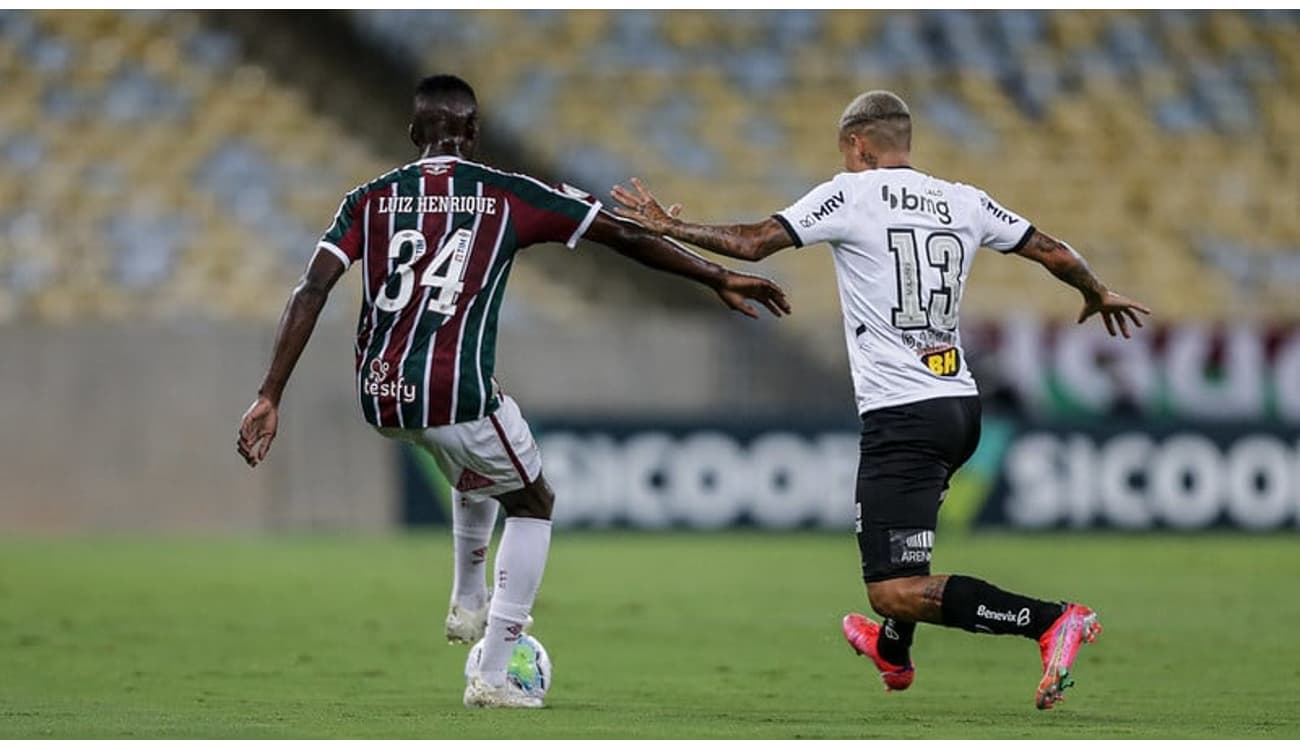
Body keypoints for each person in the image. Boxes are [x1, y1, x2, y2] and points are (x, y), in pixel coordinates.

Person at [235, 74, 790, 710]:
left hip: (381, 394)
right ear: (473, 133)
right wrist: (718, 275)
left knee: (478, 469)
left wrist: (270, 392)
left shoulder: (367, 200)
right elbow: (627, 236)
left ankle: (469, 598)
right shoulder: (507, 195)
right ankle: (493, 675)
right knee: (533, 501)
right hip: (455, 391)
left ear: (414, 133)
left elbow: (311, 289)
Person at [611, 90, 1150, 710]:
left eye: (845, 150)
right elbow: (1053, 250)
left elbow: (757, 242)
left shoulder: (851, 193)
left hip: (904, 414)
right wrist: (1096, 290)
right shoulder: (964, 199)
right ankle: (892, 653)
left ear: (857, 144)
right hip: (959, 406)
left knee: (893, 589)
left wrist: (670, 225)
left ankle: (1052, 620)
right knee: (906, 555)